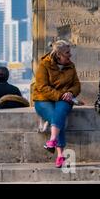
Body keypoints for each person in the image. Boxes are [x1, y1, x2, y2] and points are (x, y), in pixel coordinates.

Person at [32, 40, 81, 168]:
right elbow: (42, 87)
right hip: (43, 99)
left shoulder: (71, 66)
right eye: (67, 53)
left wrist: (70, 92)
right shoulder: (44, 65)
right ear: (59, 54)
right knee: (57, 117)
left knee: (60, 112)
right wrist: (60, 95)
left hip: (64, 99)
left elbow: (77, 85)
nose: (70, 55)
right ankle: (60, 155)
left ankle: (52, 141)